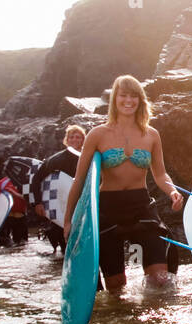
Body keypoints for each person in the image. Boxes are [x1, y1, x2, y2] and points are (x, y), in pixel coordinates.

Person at [62, 76, 183, 289]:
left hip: (141, 205)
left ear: (141, 100)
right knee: (116, 286)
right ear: (114, 99)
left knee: (161, 279)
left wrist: (172, 191)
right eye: (123, 95)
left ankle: (154, 319)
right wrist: (68, 221)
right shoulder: (97, 134)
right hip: (108, 208)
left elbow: (160, 174)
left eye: (134, 96)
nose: (128, 100)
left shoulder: (151, 135)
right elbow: (80, 180)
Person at [32, 124, 87, 256]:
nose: (75, 140)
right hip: (61, 205)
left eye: (78, 137)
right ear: (66, 140)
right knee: (63, 243)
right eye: (71, 137)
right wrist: (38, 203)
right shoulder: (56, 159)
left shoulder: (89, 158)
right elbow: (36, 179)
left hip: (83, 203)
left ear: (83, 140)